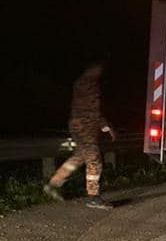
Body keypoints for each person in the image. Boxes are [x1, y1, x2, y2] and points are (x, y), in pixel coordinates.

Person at [44, 61, 115, 209]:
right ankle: (93, 196)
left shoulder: (84, 83)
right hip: (84, 126)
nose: (100, 70)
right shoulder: (87, 83)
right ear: (91, 67)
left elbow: (91, 109)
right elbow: (91, 109)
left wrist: (103, 125)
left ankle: (53, 184)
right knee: (94, 160)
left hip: (81, 125)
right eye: (98, 67)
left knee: (79, 157)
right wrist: (103, 125)